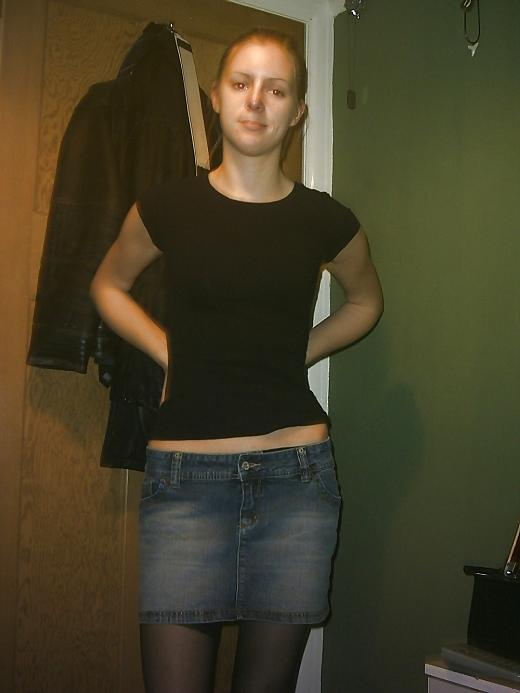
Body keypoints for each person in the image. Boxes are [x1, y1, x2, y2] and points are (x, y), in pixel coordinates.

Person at [90, 27, 383, 693]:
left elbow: (366, 302)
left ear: (297, 111)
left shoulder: (326, 220)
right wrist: (170, 350)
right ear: (217, 97)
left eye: (276, 90)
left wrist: (297, 352)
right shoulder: (166, 207)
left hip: (296, 482)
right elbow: (107, 286)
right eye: (242, 83)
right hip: (184, 486)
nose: (256, 100)